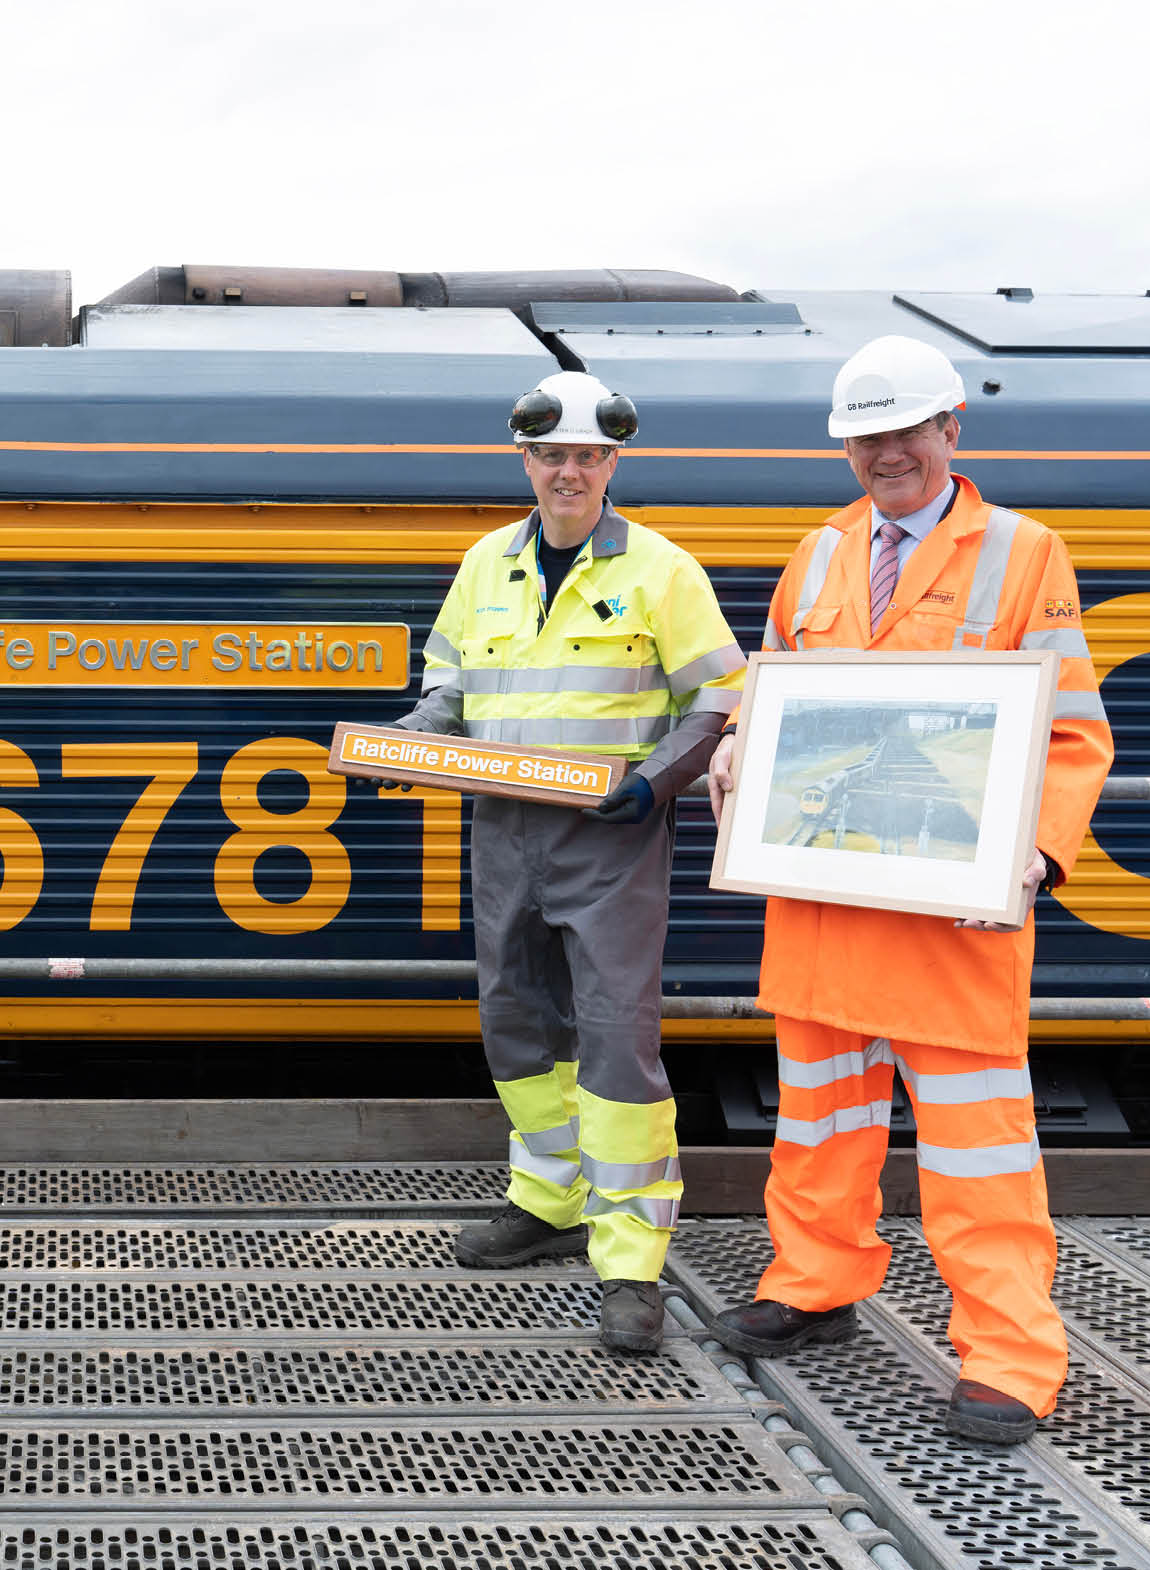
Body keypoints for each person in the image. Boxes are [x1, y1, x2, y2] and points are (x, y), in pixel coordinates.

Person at [705, 334, 1113, 1443]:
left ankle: (1011, 1357)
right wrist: (739, 741)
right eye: (864, 438)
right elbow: (773, 689)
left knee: (979, 1147)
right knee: (819, 1116)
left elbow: (1073, 731)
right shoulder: (818, 554)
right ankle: (815, 1281)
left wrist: (1037, 851)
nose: (885, 453)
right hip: (824, 902)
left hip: (951, 913)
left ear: (950, 429)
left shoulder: (1024, 552)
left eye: (903, 431)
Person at [389, 371, 746, 1351]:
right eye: (552, 456)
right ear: (526, 460)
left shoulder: (663, 571)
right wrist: (411, 740)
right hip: (504, 831)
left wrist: (655, 783)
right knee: (515, 1020)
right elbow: (448, 686)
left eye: (588, 456)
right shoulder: (484, 565)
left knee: (615, 1039)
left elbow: (719, 699)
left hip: (611, 839)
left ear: (611, 463)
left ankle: (630, 1263)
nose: (569, 473)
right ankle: (548, 1199)